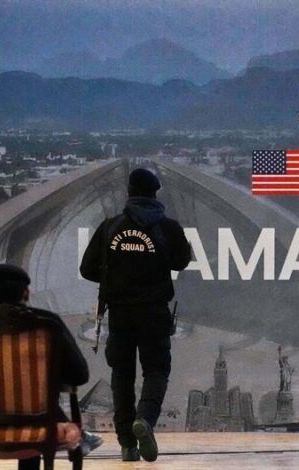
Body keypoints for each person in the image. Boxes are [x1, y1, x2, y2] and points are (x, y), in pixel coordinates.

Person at [80, 168, 191, 462]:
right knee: (156, 370)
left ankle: (128, 445)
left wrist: (114, 276)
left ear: (129, 193)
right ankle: (145, 419)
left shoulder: (110, 227)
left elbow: (87, 269)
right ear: (155, 194)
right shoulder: (169, 228)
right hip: (155, 313)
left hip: (120, 314)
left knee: (121, 376)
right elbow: (182, 261)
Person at [0, 264, 103, 470]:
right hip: (38, 430)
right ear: (26, 293)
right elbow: (79, 374)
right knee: (36, 402)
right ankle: (80, 437)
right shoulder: (47, 324)